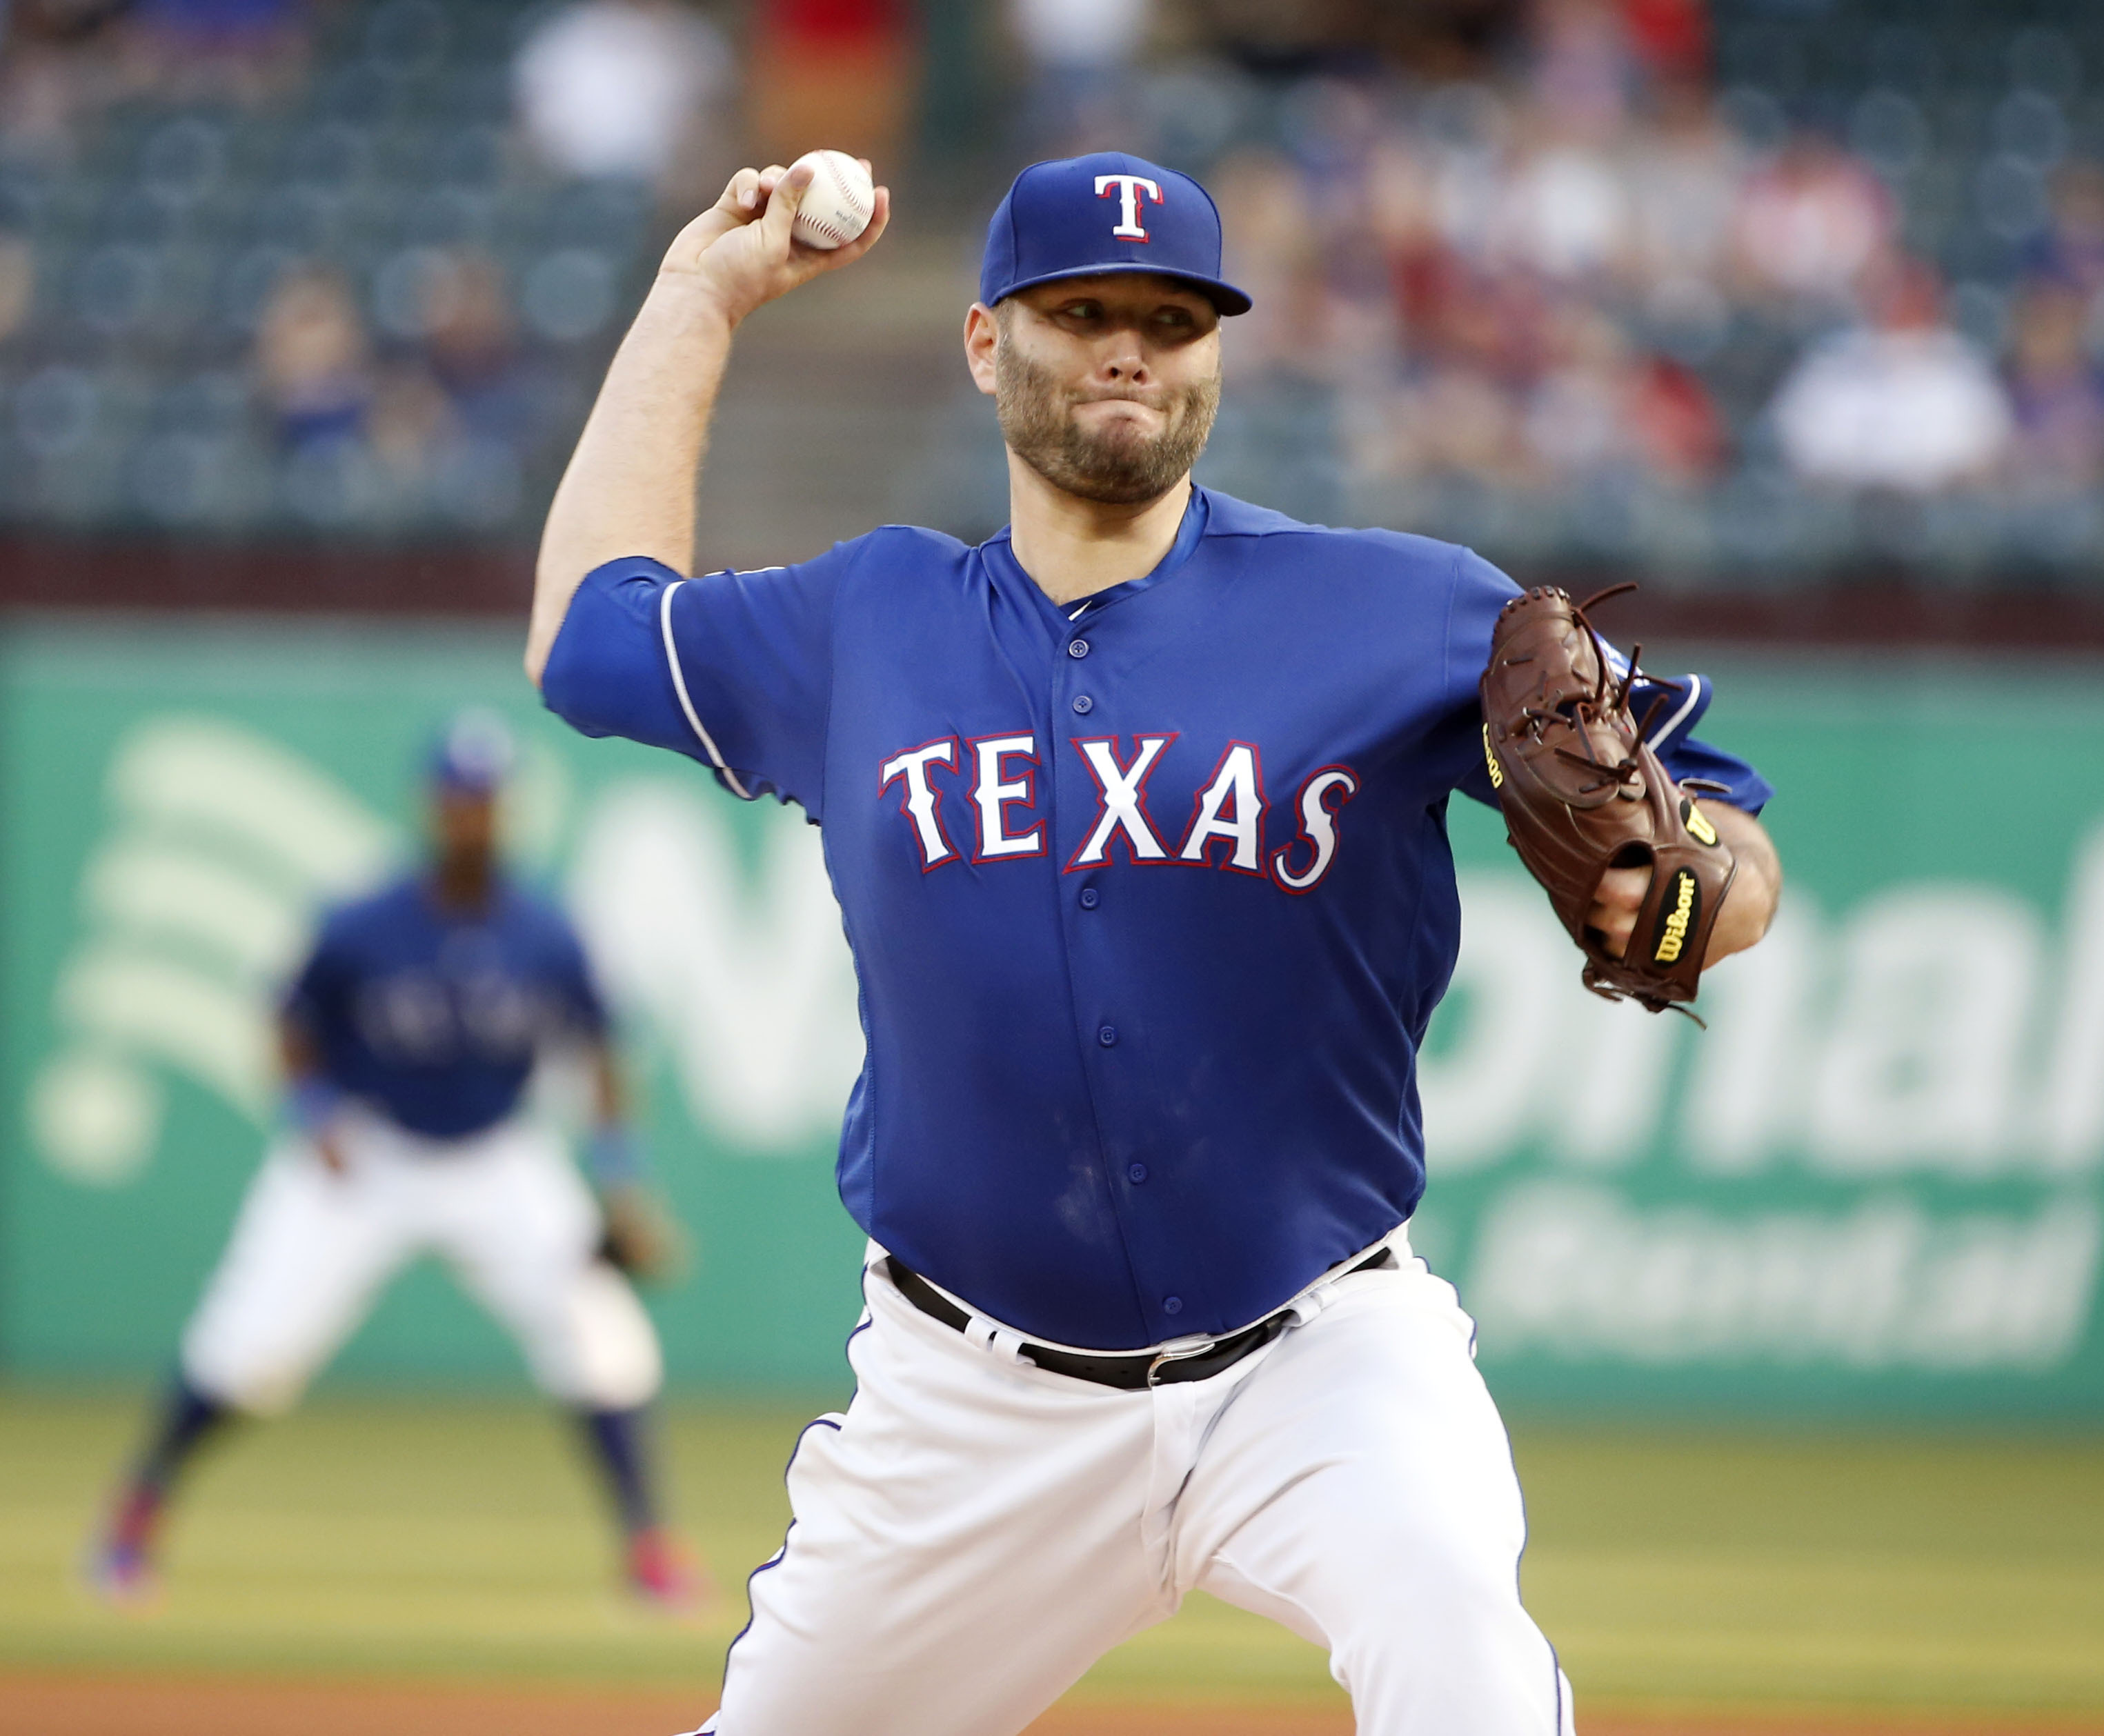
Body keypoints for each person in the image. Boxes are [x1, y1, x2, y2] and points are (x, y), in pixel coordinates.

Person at [526, 151, 1783, 1733]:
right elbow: (584, 635)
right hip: (966, 1402)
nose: (1131, 346)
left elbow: (1717, 831)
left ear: (1216, 354)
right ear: (988, 341)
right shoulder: (862, 622)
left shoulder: (1402, 609)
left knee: (1457, 1644)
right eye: (1084, 310)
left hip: (1318, 1360)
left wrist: (1689, 891)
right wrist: (696, 294)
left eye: (1175, 319)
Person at [91, 711, 705, 1610]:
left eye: (486, 800)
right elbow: (291, 1017)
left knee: (602, 1338)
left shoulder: (547, 929)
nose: (472, 816)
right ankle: (134, 1517)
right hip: (365, 1158)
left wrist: (619, 1177)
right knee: (247, 1349)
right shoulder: (364, 920)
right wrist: (313, 1111)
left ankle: (649, 1547)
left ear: (507, 809)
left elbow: (603, 1053)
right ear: (432, 805)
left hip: (497, 1158)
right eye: (459, 799)